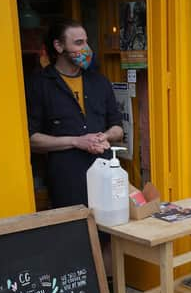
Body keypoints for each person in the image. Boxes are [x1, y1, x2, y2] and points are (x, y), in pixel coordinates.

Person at [26, 19, 123, 209]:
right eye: (79, 43)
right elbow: (31, 139)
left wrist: (105, 135)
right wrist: (76, 141)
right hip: (66, 180)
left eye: (86, 42)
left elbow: (118, 128)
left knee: (109, 232)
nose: (86, 48)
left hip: (105, 173)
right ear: (59, 46)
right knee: (74, 234)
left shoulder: (99, 82)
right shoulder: (39, 84)